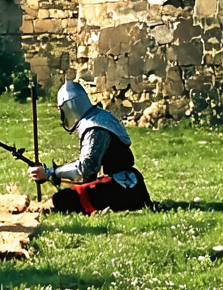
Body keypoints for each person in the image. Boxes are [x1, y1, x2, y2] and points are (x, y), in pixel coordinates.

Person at [27, 81, 152, 214]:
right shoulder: (99, 116)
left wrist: (50, 173)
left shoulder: (94, 126)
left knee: (61, 199)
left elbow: (86, 168)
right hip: (128, 184)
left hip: (121, 189)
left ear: (70, 105)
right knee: (73, 191)